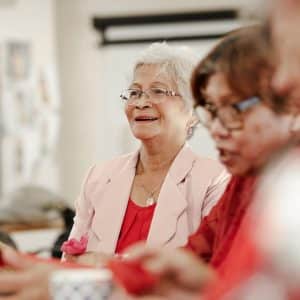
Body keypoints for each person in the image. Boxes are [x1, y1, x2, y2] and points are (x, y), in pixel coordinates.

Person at [119, 25, 297, 299]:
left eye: (233, 109)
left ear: (290, 102)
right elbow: (196, 259)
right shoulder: (243, 182)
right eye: (212, 111)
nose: (217, 129)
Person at [62, 42, 229, 266]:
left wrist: (106, 265)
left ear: (192, 112)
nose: (140, 103)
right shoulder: (99, 176)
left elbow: (214, 271)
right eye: (135, 92)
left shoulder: (214, 180)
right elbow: (70, 263)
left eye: (158, 91)